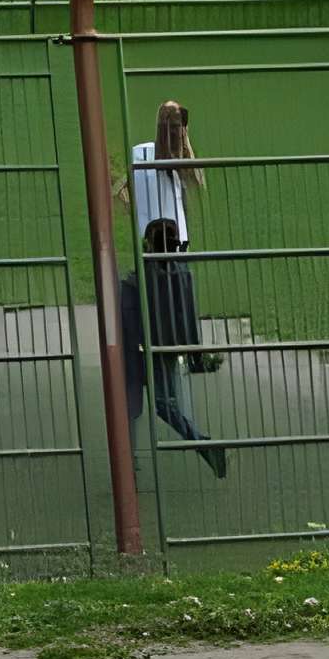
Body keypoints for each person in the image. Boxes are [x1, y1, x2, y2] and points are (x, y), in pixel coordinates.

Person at [115, 97, 222, 476]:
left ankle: (134, 462)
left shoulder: (170, 274)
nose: (175, 132)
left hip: (155, 322)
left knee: (153, 398)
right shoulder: (146, 155)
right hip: (150, 318)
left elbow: (194, 179)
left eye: (179, 126)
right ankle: (133, 460)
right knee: (141, 396)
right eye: (171, 125)